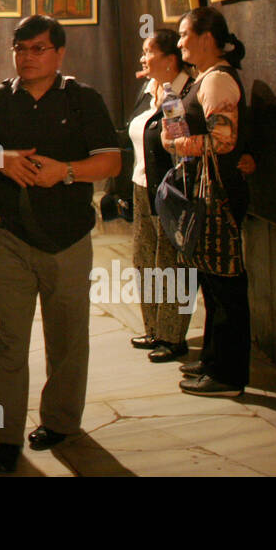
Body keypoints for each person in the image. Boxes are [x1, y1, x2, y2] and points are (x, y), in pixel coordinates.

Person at [0, 15, 121, 473]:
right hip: (11, 235)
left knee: (67, 338)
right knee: (10, 339)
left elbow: (109, 160)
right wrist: (3, 159)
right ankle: (5, 430)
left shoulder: (82, 99)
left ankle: (61, 422)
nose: (27, 57)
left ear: (59, 54)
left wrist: (65, 172)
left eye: (37, 49)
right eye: (20, 48)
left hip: (68, 238)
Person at [162, 7, 251, 397]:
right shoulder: (203, 79)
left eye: (184, 34)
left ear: (207, 37)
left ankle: (229, 375)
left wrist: (178, 142)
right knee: (212, 283)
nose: (179, 42)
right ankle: (214, 361)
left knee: (226, 285)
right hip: (204, 189)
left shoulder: (217, 81)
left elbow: (224, 141)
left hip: (219, 192)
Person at [126, 30, 194, 361]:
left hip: (174, 191)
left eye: (148, 51)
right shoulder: (148, 91)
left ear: (169, 59)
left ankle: (173, 336)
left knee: (172, 265)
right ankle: (154, 329)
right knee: (144, 261)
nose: (142, 58)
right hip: (142, 186)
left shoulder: (185, 92)